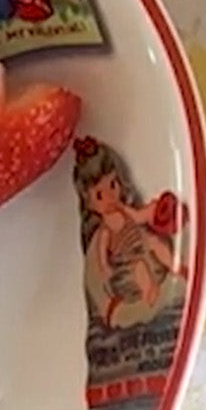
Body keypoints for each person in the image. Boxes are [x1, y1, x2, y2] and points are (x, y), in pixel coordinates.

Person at [74, 140, 183, 328]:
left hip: (142, 245)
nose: (109, 197)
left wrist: (152, 210)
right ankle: (149, 292)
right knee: (139, 267)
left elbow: (139, 217)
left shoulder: (125, 210)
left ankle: (176, 267)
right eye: (100, 195)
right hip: (126, 263)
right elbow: (102, 252)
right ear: (90, 204)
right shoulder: (105, 229)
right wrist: (106, 268)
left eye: (113, 185)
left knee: (155, 242)